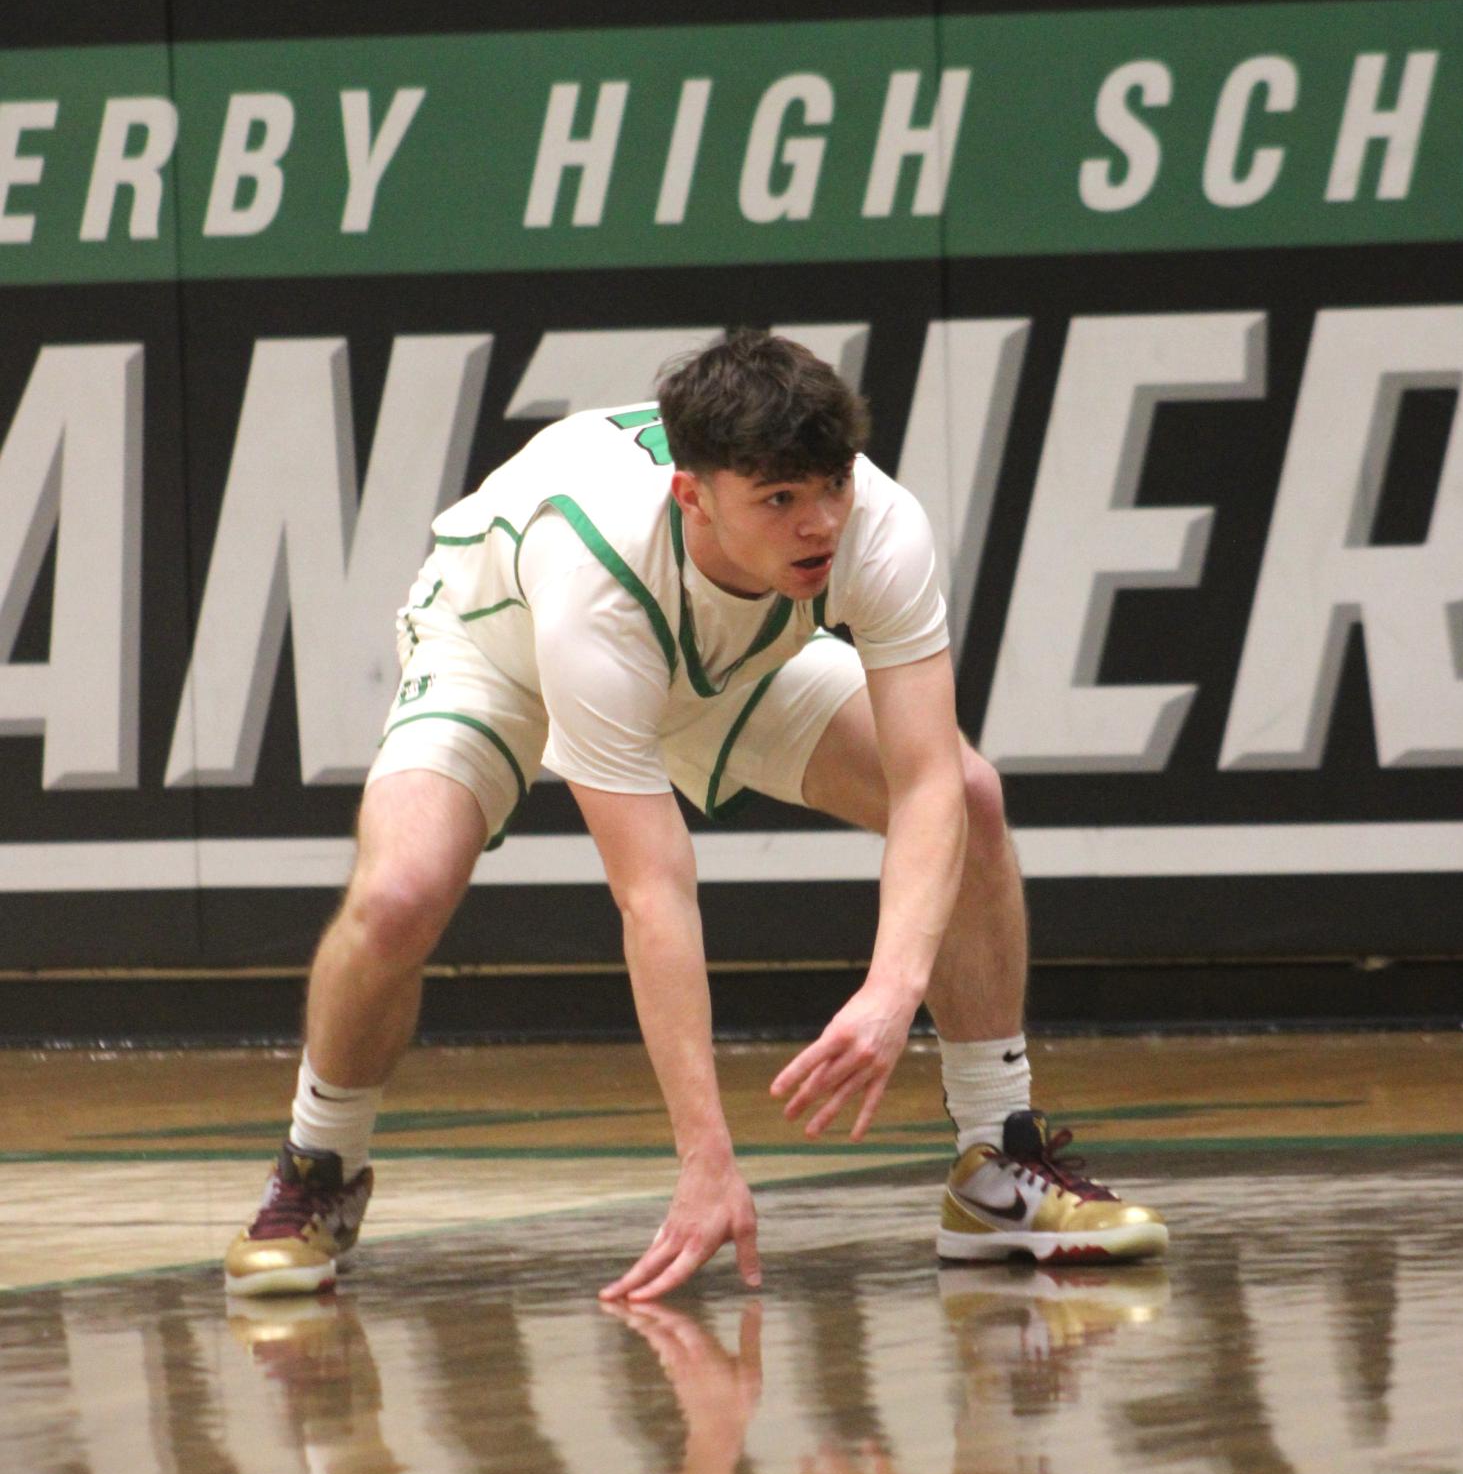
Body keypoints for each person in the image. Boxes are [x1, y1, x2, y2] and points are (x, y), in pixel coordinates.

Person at [224, 330, 1167, 1300]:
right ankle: (317, 1166)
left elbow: (927, 784)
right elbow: (653, 892)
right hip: (501, 647)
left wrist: (893, 990)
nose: (820, 525)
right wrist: (704, 1157)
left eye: (832, 486)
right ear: (694, 496)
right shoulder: (592, 581)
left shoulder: (874, 525)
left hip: (735, 659)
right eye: (780, 501)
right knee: (398, 895)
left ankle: (997, 1160)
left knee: (972, 793)